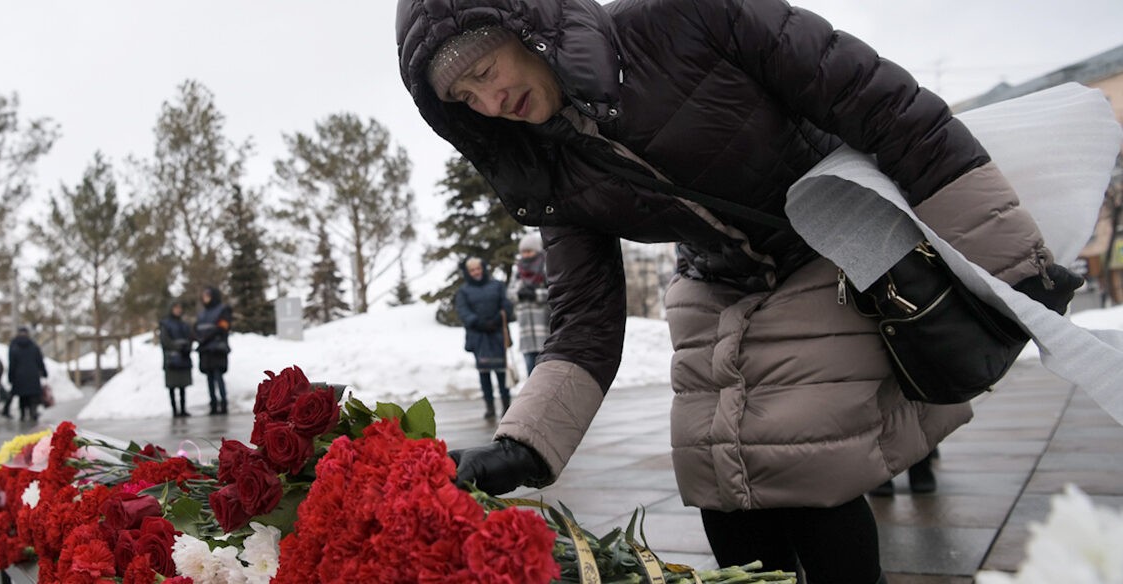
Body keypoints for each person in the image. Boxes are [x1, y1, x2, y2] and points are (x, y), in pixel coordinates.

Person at [396, 1, 1084, 582]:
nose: (489, 103)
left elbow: (888, 110)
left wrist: (1015, 267)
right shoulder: (549, 164)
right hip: (716, 281)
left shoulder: (689, 19)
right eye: (465, 99)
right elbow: (585, 316)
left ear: (530, 25)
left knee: (804, 460)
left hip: (831, 238)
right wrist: (524, 443)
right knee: (718, 479)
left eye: (485, 71)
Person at [455, 256, 515, 420]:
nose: (476, 272)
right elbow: (463, 310)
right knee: (484, 374)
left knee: (501, 372)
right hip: (478, 336)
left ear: (483, 268)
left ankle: (506, 406)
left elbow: (507, 304)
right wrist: (477, 322)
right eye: (472, 270)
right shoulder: (464, 291)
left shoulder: (497, 285)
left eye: (478, 269)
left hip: (497, 334)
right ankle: (489, 407)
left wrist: (497, 319)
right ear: (468, 272)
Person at [506, 232, 550, 375]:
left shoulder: (546, 266)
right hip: (525, 327)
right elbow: (510, 293)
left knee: (545, 365)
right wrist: (519, 294)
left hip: (543, 324)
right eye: (523, 252)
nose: (526, 254)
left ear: (536, 250)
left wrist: (536, 294)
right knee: (530, 366)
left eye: (529, 251)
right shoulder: (517, 270)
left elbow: (553, 293)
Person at [194, 286, 232, 415]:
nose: (205, 299)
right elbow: (196, 328)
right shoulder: (202, 314)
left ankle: (224, 403)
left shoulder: (223, 310)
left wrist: (207, 338)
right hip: (205, 350)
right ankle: (213, 404)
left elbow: (223, 327)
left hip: (217, 349)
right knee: (209, 378)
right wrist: (198, 338)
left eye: (208, 296)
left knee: (218, 376)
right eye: (204, 296)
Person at [160, 300, 194, 418]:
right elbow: (165, 341)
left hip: (183, 359)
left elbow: (190, 337)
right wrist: (178, 347)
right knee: (172, 386)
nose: (178, 310)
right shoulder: (165, 324)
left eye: (179, 308)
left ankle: (183, 409)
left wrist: (187, 347)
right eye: (176, 308)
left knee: (182, 385)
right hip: (172, 360)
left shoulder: (185, 324)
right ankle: (175, 410)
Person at [7, 326, 48, 422]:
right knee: (33, 396)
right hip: (32, 375)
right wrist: (44, 372)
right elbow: (39, 361)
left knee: (22, 397)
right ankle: (33, 412)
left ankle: (22, 414)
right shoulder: (33, 346)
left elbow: (12, 364)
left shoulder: (14, 347)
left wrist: (11, 377)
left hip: (19, 377)